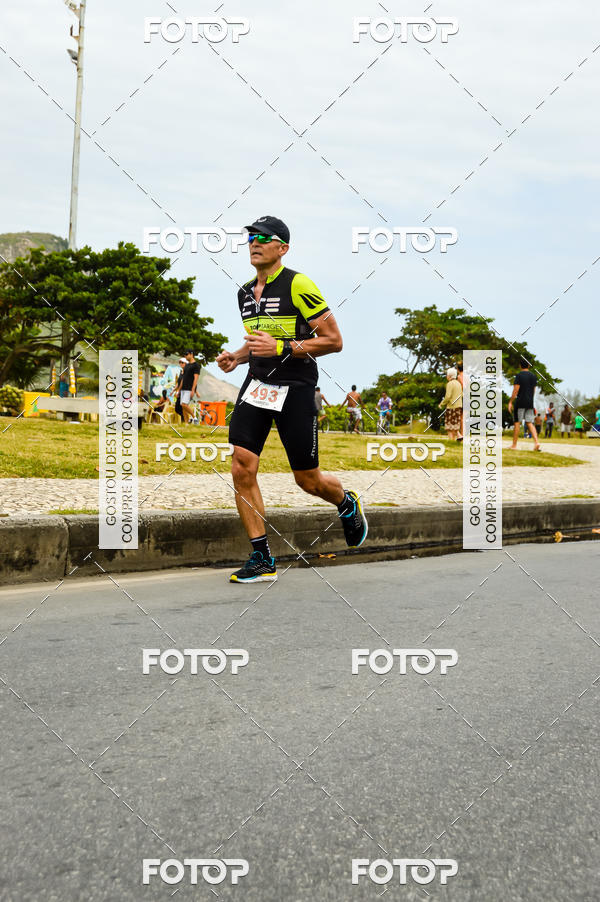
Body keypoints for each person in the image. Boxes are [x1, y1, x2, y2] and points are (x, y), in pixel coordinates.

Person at [216, 215, 368, 583]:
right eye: (251, 237)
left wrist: (282, 346)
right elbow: (260, 342)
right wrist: (239, 356)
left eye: (263, 238)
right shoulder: (243, 293)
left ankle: (346, 502)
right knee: (241, 464)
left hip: (297, 387)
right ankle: (262, 557)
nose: (254, 242)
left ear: (282, 248)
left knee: (307, 479)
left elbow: (333, 340)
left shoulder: (299, 285)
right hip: (257, 384)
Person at [508, 359, 541, 451]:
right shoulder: (533, 376)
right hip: (530, 402)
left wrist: (510, 402)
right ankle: (537, 442)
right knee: (529, 422)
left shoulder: (519, 376)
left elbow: (516, 390)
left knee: (517, 423)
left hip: (520, 402)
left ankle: (514, 445)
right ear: (529, 366)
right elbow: (533, 390)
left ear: (520, 366)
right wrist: (530, 400)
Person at [175, 350, 201, 424]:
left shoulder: (196, 366)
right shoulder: (186, 366)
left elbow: (196, 379)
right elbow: (183, 379)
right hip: (183, 389)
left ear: (191, 354)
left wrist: (193, 390)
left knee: (184, 404)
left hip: (189, 389)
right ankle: (186, 423)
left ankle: (194, 417)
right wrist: (178, 390)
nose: (185, 356)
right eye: (184, 355)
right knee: (183, 407)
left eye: (186, 354)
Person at [439, 367, 462, 441]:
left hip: (451, 407)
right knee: (455, 424)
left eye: (447, 375)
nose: (446, 376)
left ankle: (451, 441)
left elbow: (448, 396)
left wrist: (441, 404)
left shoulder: (450, 384)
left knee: (449, 427)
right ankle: (458, 435)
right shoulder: (458, 384)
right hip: (458, 406)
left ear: (449, 376)